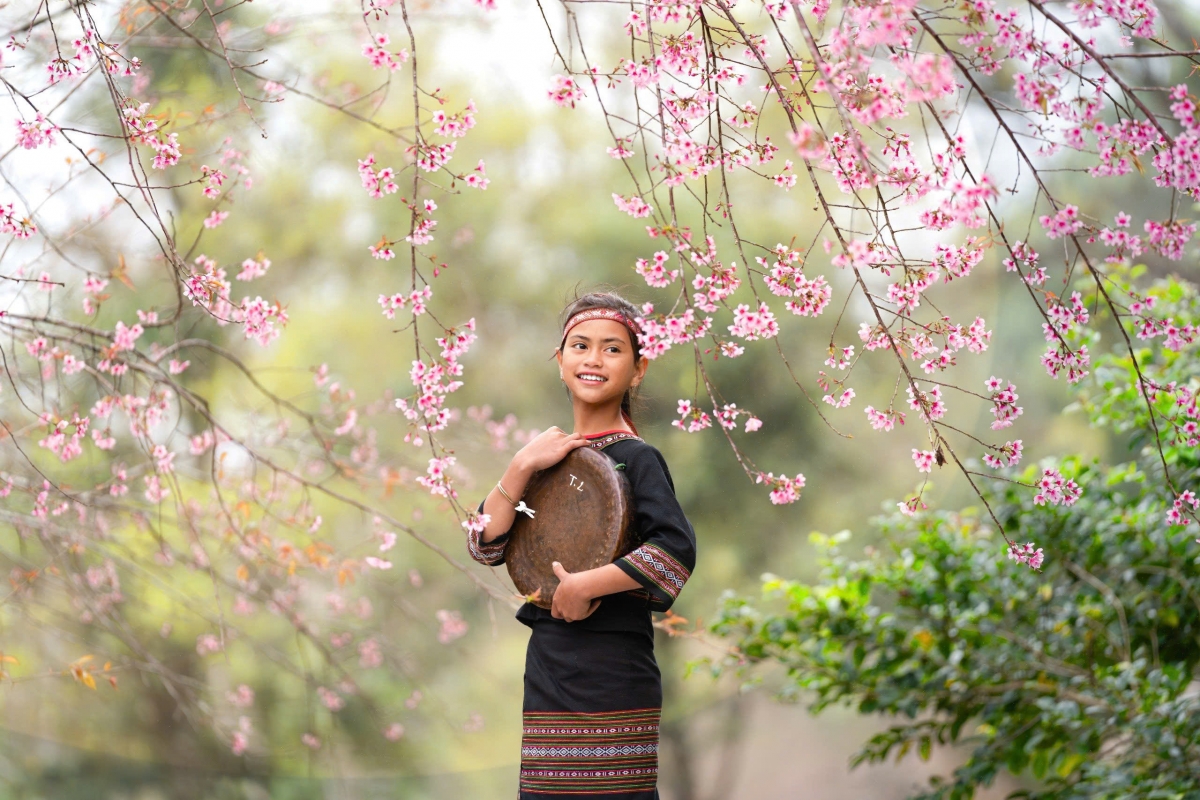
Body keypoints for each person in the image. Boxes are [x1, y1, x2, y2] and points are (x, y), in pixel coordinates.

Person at [466, 290, 697, 799]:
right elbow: (484, 544)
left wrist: (586, 584)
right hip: (550, 665)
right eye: (580, 345)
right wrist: (520, 466)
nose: (594, 359)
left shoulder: (638, 458)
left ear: (638, 369)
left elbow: (674, 553)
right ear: (560, 360)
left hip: (614, 668)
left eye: (613, 349)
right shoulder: (546, 460)